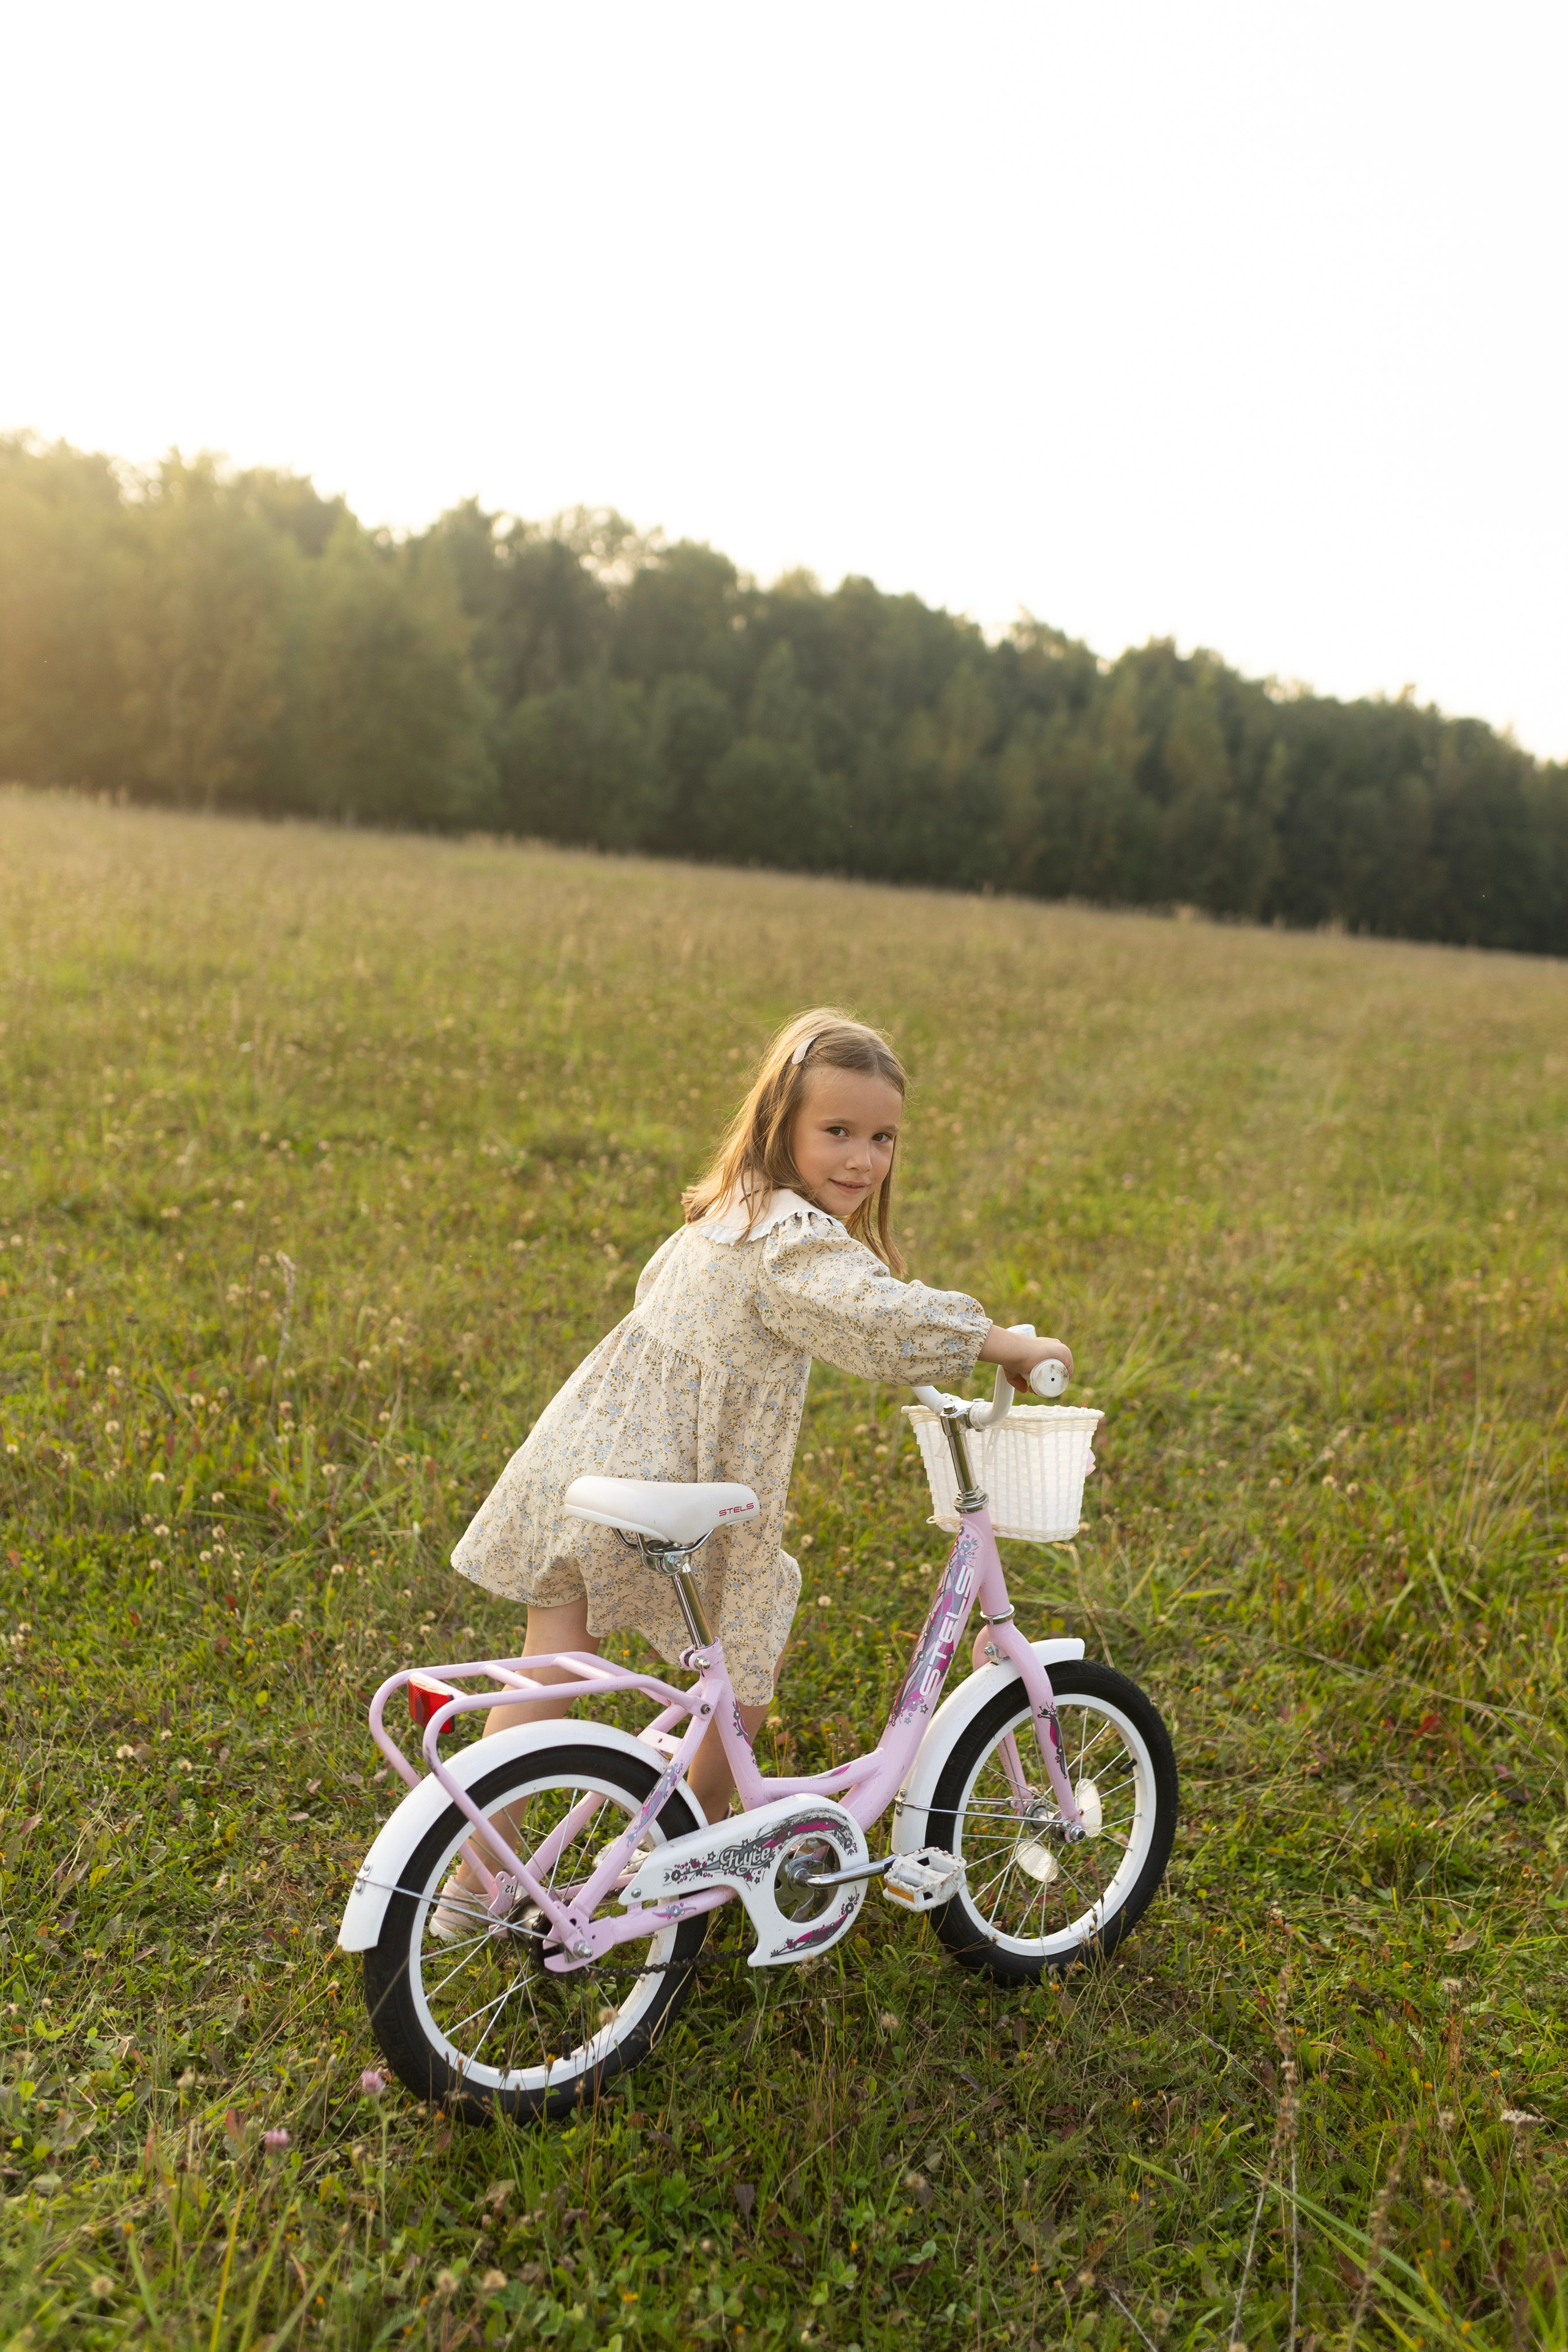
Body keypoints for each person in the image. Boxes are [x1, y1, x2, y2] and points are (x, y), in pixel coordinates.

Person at [440, 1006, 1071, 1912]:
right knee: (744, 1668)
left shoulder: (727, 1210)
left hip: (580, 1460)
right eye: (838, 1132)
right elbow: (878, 1319)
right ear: (782, 1126)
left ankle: (469, 1868)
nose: (861, 1159)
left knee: (550, 1669)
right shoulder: (794, 1244)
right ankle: (687, 1864)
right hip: (668, 1478)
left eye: (883, 1137)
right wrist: (1004, 1343)